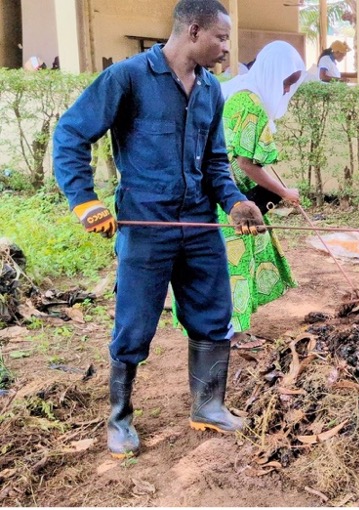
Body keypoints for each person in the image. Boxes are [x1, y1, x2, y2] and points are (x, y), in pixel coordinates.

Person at [52, 0, 267, 459]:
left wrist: (235, 202)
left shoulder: (212, 89)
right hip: (146, 227)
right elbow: (71, 134)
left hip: (198, 224)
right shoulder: (127, 78)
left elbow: (214, 164)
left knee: (213, 316)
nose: (227, 49)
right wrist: (85, 202)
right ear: (193, 31)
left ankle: (208, 406)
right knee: (134, 326)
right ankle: (119, 419)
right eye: (222, 38)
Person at [194, 40, 303, 339]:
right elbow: (246, 164)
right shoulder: (250, 103)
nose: (285, 91)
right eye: (285, 83)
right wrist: (283, 192)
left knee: (235, 259)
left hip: (220, 192)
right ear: (271, 73)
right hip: (228, 197)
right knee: (236, 263)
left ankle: (229, 327)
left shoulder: (240, 89)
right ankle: (230, 333)